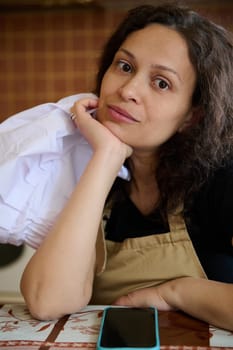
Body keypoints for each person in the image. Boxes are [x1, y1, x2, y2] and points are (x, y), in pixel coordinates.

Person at [20, 3, 233, 330]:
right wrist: (106, 156)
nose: (128, 90)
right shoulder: (77, 167)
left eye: (161, 83)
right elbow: (47, 301)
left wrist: (178, 292)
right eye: (124, 66)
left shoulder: (222, 177)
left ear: (193, 116)